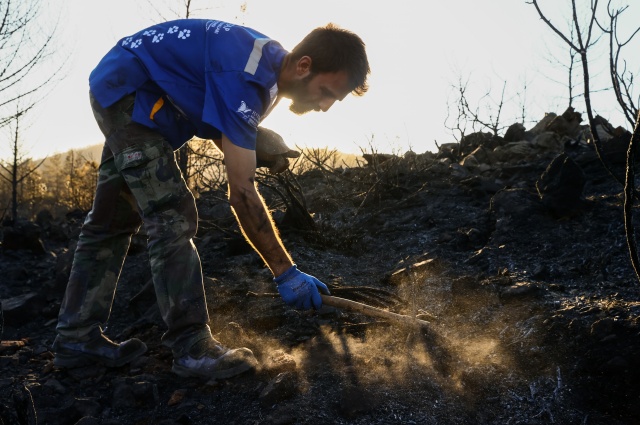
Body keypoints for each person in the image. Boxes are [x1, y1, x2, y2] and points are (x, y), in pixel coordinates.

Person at [53, 18, 370, 380]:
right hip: (131, 91)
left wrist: (250, 142)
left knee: (112, 221)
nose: (325, 106)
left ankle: (75, 340)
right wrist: (286, 272)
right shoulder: (247, 76)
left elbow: (221, 120)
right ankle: (191, 348)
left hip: (128, 85)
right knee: (171, 213)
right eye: (327, 93)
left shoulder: (262, 68)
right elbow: (242, 192)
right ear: (304, 66)